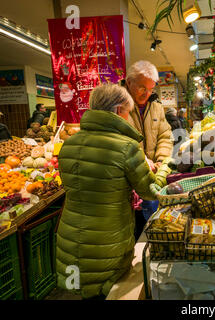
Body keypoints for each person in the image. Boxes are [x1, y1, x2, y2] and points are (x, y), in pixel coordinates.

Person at [55, 84, 162, 299]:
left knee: (82, 289)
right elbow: (150, 191)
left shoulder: (68, 144)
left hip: (70, 234)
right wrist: (164, 168)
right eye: (127, 112)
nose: (128, 118)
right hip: (107, 240)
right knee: (107, 290)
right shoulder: (126, 147)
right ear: (117, 110)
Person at [124, 61, 173, 172]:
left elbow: (165, 135)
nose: (147, 94)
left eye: (151, 89)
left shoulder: (156, 106)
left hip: (154, 172)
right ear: (129, 82)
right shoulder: (116, 104)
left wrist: (161, 160)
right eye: (142, 88)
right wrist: (142, 160)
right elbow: (117, 141)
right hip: (129, 173)